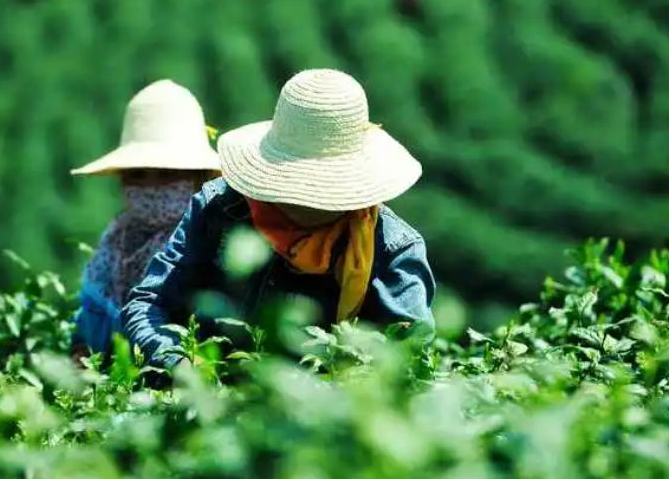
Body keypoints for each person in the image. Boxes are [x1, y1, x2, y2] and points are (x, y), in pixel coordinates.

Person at [121, 68, 436, 371]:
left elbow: (404, 363)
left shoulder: (391, 249)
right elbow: (149, 302)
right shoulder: (220, 207)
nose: (304, 198)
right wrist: (184, 368)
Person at [68, 79, 221, 365]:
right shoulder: (116, 240)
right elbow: (86, 319)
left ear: (199, 176)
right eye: (138, 173)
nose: (151, 186)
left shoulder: (210, 246)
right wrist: (80, 353)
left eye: (166, 172)